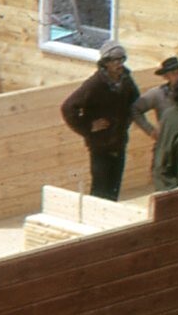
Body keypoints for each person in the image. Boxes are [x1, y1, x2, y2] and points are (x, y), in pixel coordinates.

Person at [60, 39, 140, 202]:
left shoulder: (126, 79)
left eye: (122, 59)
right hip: (100, 145)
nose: (120, 64)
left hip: (119, 141)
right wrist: (88, 127)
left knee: (114, 187)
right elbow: (68, 107)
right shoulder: (95, 84)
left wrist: (126, 121)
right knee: (100, 189)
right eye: (115, 60)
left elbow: (135, 101)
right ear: (105, 63)